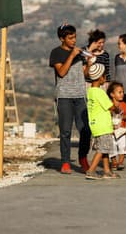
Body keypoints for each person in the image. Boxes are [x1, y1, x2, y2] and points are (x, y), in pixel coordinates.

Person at [49, 23, 91, 174]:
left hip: (80, 95)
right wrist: (72, 56)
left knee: (85, 130)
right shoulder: (56, 53)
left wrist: (89, 65)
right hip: (64, 96)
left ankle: (83, 158)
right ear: (62, 39)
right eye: (70, 38)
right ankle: (65, 162)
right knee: (65, 131)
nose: (74, 40)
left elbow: (85, 75)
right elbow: (61, 72)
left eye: (75, 37)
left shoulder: (81, 53)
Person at [85, 63, 120, 180]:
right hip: (103, 125)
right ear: (101, 77)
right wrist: (116, 105)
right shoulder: (100, 92)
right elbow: (111, 107)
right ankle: (91, 170)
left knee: (105, 149)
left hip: (95, 125)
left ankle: (106, 171)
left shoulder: (90, 91)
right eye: (104, 76)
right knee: (102, 149)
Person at [107, 81, 126, 171]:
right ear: (112, 94)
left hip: (121, 130)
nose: (122, 94)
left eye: (122, 92)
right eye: (119, 92)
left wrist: (122, 116)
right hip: (111, 130)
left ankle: (120, 162)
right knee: (112, 146)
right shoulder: (109, 105)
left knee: (122, 146)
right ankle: (114, 162)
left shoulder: (124, 105)